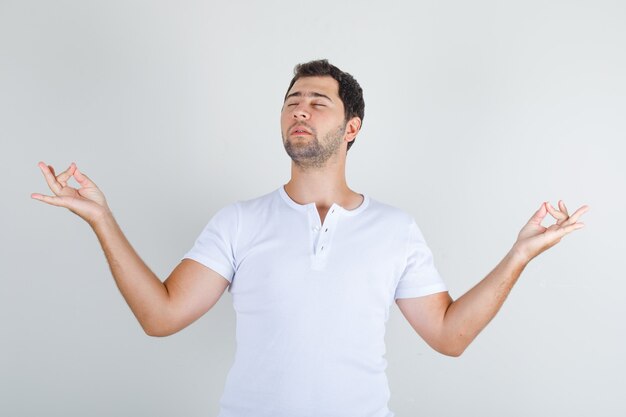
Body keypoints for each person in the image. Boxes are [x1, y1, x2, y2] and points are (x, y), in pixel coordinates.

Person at [32, 59, 588, 417]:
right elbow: (161, 317)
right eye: (292, 101)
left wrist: (520, 254)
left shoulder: (396, 229)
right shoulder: (239, 222)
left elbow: (448, 336)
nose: (300, 109)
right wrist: (101, 220)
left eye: (318, 102)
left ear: (352, 128)